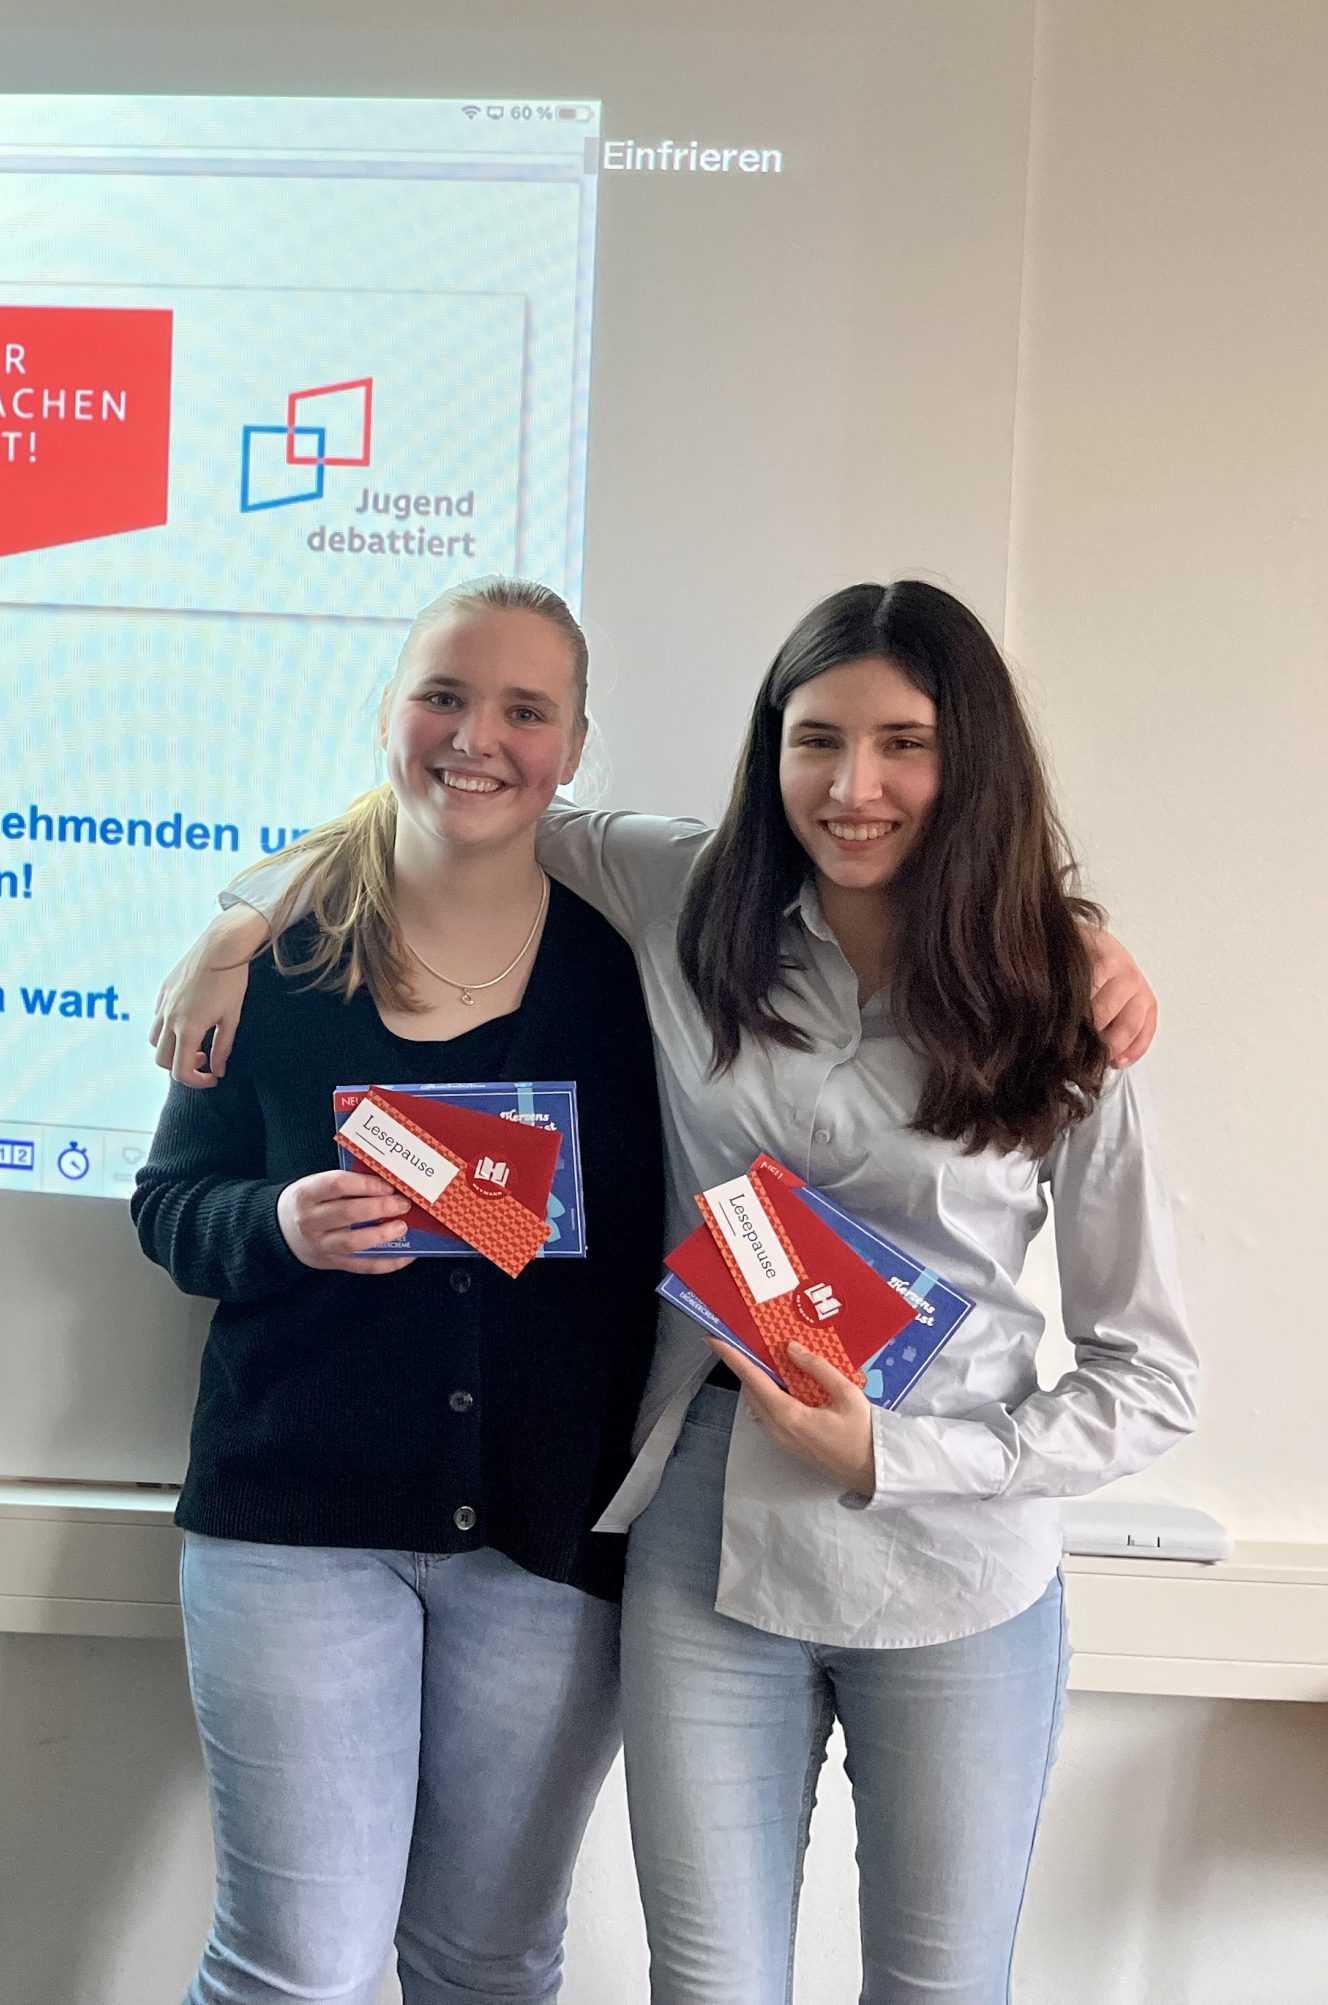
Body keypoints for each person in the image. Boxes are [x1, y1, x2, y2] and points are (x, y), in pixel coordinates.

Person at [152, 580, 1191, 2005]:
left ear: (975, 763)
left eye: (905, 742)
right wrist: (234, 919)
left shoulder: (1055, 1011)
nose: (855, 786)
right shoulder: (691, 901)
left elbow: (1153, 1379)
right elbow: (455, 807)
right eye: (817, 739)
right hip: (698, 1541)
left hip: (949, 1566)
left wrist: (898, 1454)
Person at [133, 578, 667, 2005]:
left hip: (547, 1543)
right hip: (294, 1527)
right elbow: (171, 1207)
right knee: (293, 1970)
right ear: (391, 714)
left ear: (574, 745)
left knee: (487, 1965)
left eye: (524, 709)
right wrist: (277, 1224)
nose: (477, 736)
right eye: (443, 695)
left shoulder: (631, 973)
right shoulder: (284, 961)